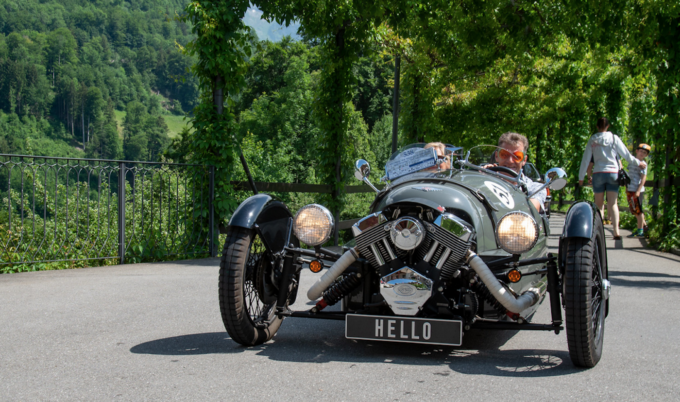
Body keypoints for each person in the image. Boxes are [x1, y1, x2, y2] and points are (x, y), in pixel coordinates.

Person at [578, 118, 647, 240]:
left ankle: (599, 232)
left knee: (599, 204)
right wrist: (638, 162)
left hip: (598, 173)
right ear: (608, 126)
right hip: (613, 173)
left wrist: (581, 177)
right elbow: (626, 155)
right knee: (613, 203)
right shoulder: (614, 138)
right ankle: (616, 231)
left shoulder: (593, 139)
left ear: (597, 126)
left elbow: (586, 159)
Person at [484, 132, 546, 212]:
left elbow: (530, 211)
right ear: (497, 156)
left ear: (524, 160)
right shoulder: (485, 181)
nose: (510, 161)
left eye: (517, 156)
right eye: (504, 154)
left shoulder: (535, 188)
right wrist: (480, 178)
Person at [626, 143, 651, 237]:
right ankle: (644, 226)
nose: (642, 153)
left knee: (638, 210)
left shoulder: (643, 165)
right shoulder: (632, 161)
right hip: (630, 188)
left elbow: (643, 178)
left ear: (646, 155)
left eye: (644, 153)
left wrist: (638, 191)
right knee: (633, 210)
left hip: (637, 190)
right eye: (641, 151)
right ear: (637, 151)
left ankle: (640, 230)